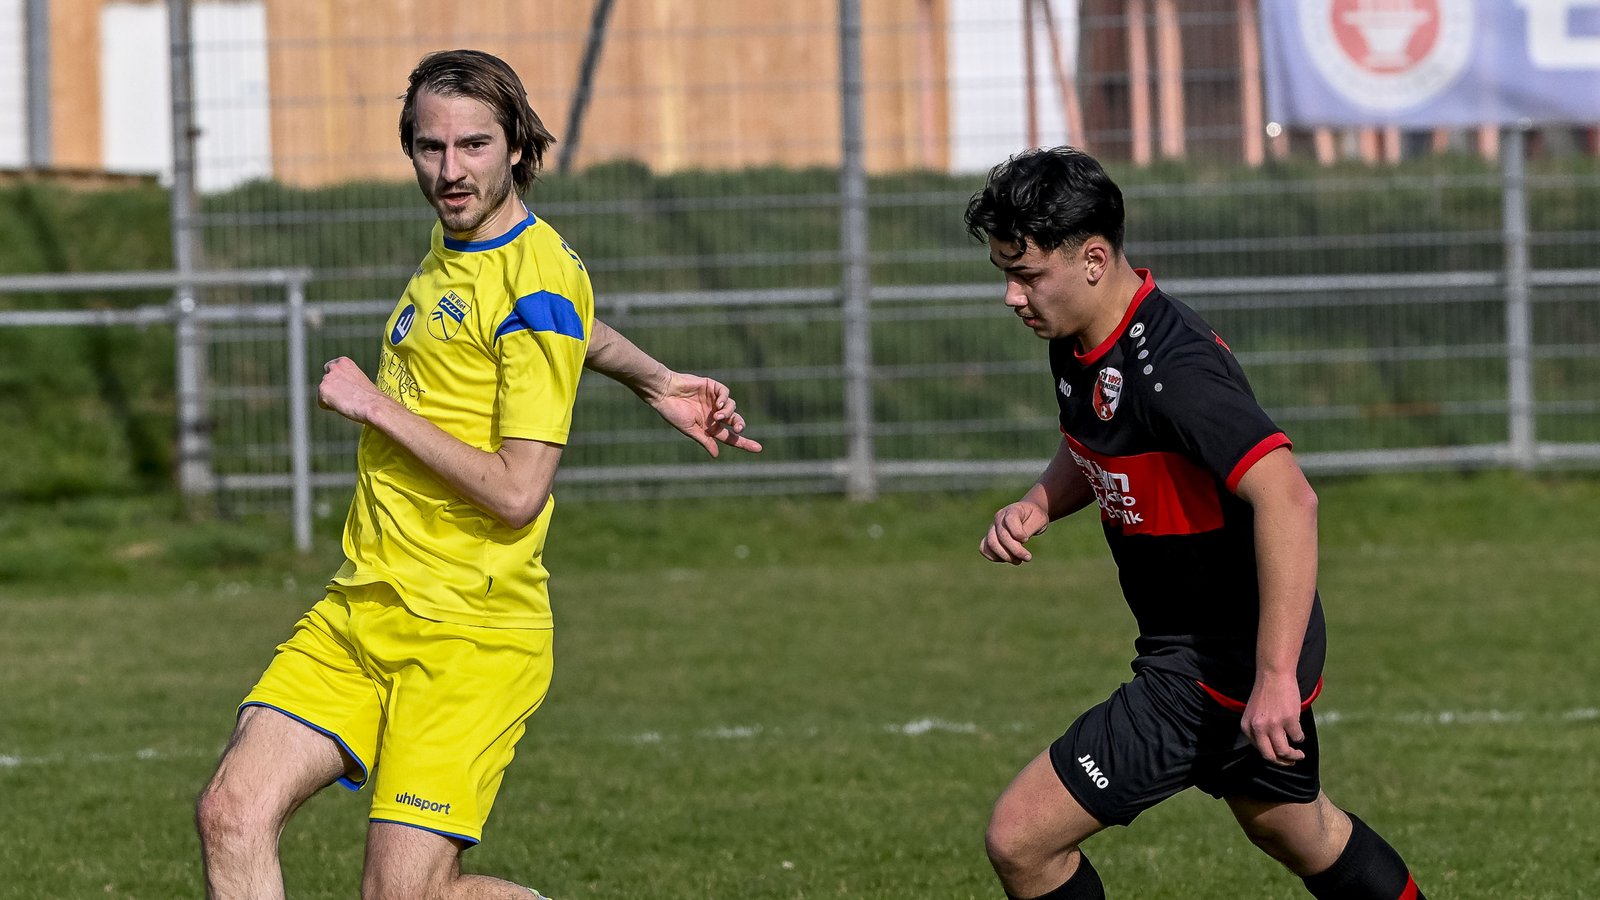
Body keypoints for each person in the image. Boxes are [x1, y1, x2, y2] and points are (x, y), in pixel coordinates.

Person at [194, 49, 760, 900]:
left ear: (517, 147)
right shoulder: (467, 245)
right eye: (431, 147)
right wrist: (652, 377)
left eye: (474, 147)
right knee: (231, 813)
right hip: (366, 606)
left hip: (468, 637)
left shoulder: (536, 279)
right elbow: (568, 326)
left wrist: (376, 406)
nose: (450, 171)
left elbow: (516, 490)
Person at [965, 147, 1426, 900]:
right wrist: (1041, 502)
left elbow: (1288, 497)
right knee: (1294, 828)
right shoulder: (1083, 339)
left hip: (1216, 666)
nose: (1012, 296)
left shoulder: (1172, 374)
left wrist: (1273, 678)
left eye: (1026, 275)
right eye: (1004, 274)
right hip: (1222, 647)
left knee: (1021, 841)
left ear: (1091, 259)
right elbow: (1102, 437)